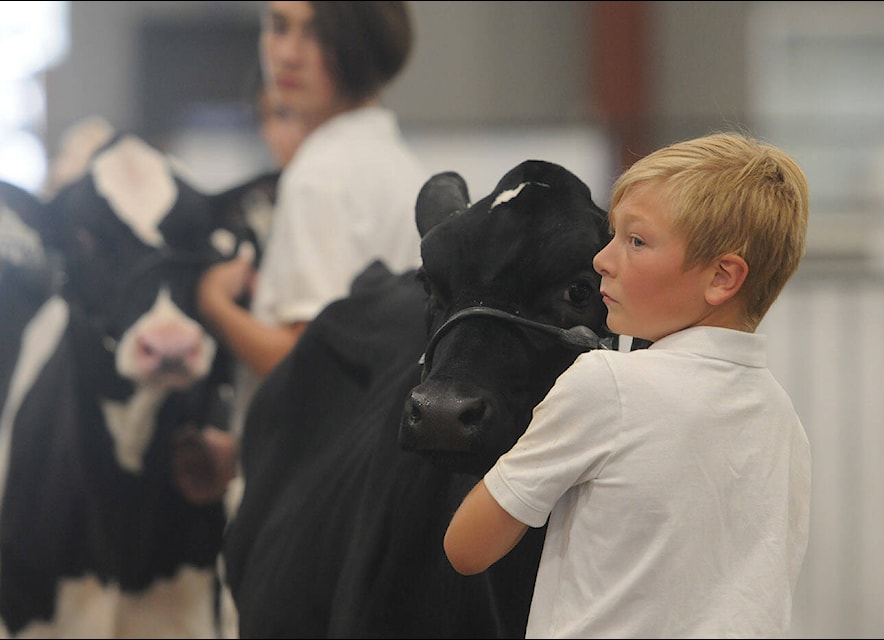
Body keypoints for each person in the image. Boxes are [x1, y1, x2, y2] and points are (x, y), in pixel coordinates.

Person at [443, 131, 812, 638]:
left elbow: (466, 548)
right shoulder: (784, 420)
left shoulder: (605, 384)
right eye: (612, 236)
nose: (602, 260)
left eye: (635, 241)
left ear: (723, 278)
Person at [174, 1, 425, 506]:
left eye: (315, 34)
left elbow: (304, 356)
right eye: (278, 25)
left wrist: (213, 304)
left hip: (311, 499)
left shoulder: (321, 175)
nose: (286, 55)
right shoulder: (400, 163)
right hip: (373, 478)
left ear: (359, 42)